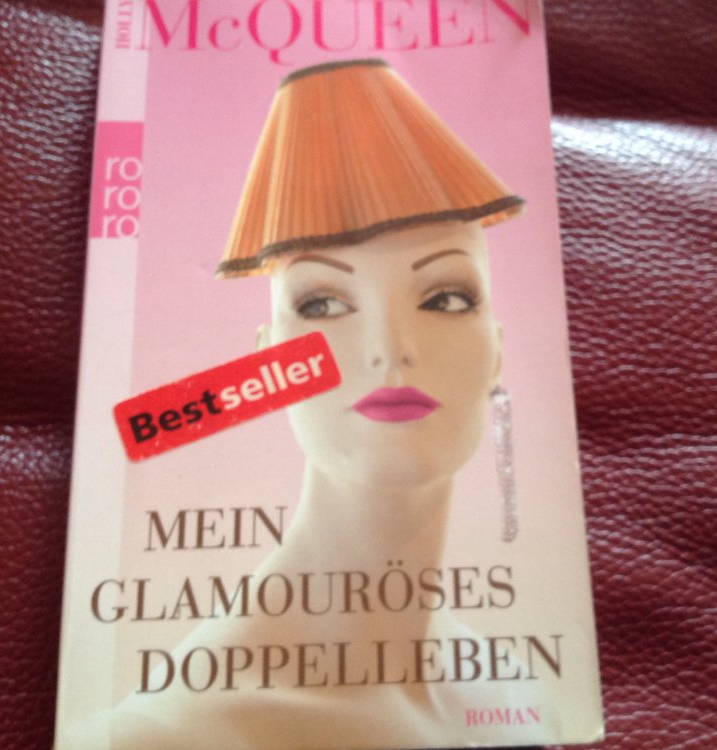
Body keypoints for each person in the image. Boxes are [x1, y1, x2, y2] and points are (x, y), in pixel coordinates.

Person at [75, 59, 559, 750]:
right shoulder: (164, 736)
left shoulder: (518, 692)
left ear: (498, 349)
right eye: (323, 304)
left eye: (446, 298)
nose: (389, 352)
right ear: (269, 361)